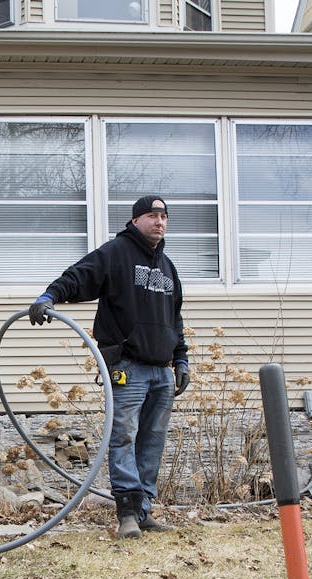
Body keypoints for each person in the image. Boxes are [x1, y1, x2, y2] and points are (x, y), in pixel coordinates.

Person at [28, 195, 190, 539]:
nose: (159, 221)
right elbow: (80, 275)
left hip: (162, 372)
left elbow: (174, 320)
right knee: (123, 438)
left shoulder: (168, 268)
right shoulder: (116, 254)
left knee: (152, 441)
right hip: (127, 368)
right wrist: (49, 297)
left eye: (163, 216)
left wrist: (181, 359)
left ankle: (144, 510)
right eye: (151, 215)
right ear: (135, 221)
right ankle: (127, 514)